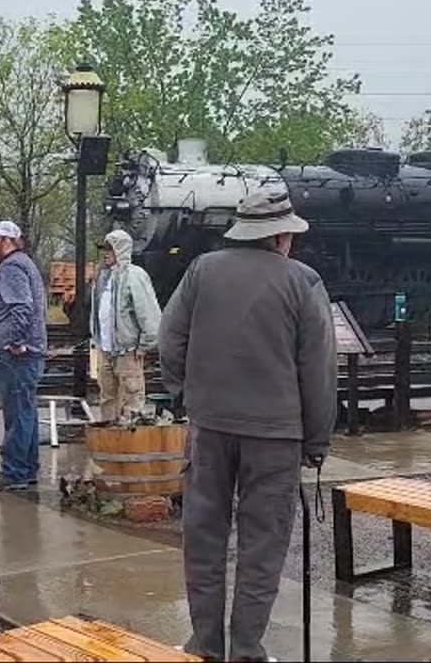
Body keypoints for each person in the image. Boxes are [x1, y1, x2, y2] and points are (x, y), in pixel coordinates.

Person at [158, 186, 337, 662]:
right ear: (281, 236)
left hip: (209, 428)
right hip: (276, 437)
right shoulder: (304, 282)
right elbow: (318, 369)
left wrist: (186, 396)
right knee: (262, 547)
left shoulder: (201, 272)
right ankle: (246, 651)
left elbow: (168, 341)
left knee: (204, 538)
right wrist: (317, 440)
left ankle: (205, 646)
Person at [0, 221, 47, 492]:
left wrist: (16, 342)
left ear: (6, 241)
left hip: (16, 356)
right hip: (27, 354)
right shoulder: (24, 263)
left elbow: (21, 308)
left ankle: (15, 472)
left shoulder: (11, 267)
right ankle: (27, 469)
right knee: (25, 412)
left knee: (17, 414)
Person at [89, 229, 161, 423]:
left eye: (110, 249)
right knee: (107, 398)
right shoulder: (103, 277)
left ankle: (127, 444)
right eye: (104, 249)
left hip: (128, 352)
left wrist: (144, 346)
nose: (105, 253)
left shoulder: (135, 276)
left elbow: (149, 314)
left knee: (131, 399)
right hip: (106, 350)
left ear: (121, 250)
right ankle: (109, 440)